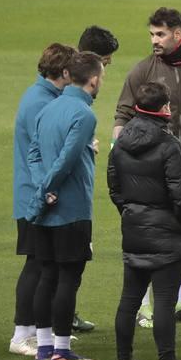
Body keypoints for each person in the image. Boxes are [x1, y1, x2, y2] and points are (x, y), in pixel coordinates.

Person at [113, 7, 181, 324]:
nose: (154, 41)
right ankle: (146, 306)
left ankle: (178, 302)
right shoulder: (142, 70)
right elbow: (122, 113)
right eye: (152, 34)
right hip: (149, 169)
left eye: (160, 34)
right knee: (151, 235)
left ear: (178, 34)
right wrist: (116, 150)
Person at [108, 82, 181, 360]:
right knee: (164, 302)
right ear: (164, 109)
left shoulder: (122, 141)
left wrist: (131, 213)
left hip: (134, 228)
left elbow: (114, 188)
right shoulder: (169, 145)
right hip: (167, 234)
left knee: (129, 300)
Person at [27, 50, 104, 360]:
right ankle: (61, 349)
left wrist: (40, 189)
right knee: (68, 278)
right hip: (71, 208)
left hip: (46, 208)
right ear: (94, 80)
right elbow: (68, 159)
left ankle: (44, 348)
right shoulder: (84, 115)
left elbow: (33, 154)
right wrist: (50, 188)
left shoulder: (48, 108)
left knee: (46, 275)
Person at [10, 43, 74, 357]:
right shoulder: (40, 102)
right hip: (35, 197)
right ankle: (22, 334)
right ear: (64, 72)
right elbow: (44, 152)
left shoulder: (43, 97)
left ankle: (38, 330)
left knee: (43, 261)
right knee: (36, 262)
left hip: (37, 193)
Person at [72, 26, 118, 334]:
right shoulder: (75, 102)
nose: (108, 68)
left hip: (64, 192)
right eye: (106, 61)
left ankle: (58, 316)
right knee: (63, 262)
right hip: (66, 196)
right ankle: (54, 326)